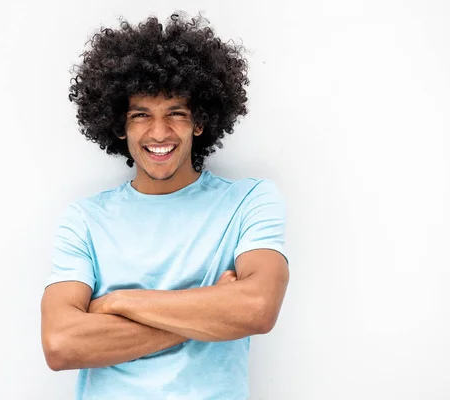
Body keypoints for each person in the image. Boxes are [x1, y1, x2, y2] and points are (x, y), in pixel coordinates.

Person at [40, 13, 290, 400]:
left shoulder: (248, 201)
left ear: (200, 121)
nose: (159, 133)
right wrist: (212, 313)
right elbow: (61, 344)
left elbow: (257, 308)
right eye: (142, 115)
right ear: (120, 126)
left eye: (176, 112)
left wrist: (118, 303)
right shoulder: (85, 219)